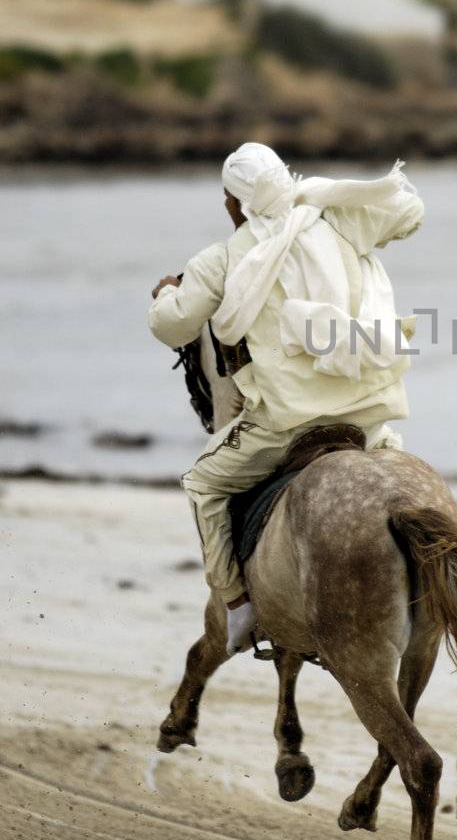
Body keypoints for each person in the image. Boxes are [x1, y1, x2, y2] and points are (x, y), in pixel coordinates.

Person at [149, 142, 424, 655]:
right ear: (287, 181)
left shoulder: (224, 258)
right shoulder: (338, 224)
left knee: (202, 484)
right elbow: (410, 213)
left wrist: (167, 292)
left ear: (234, 204)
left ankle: (236, 606)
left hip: (285, 426)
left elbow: (172, 326)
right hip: (368, 420)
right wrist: (324, 196)